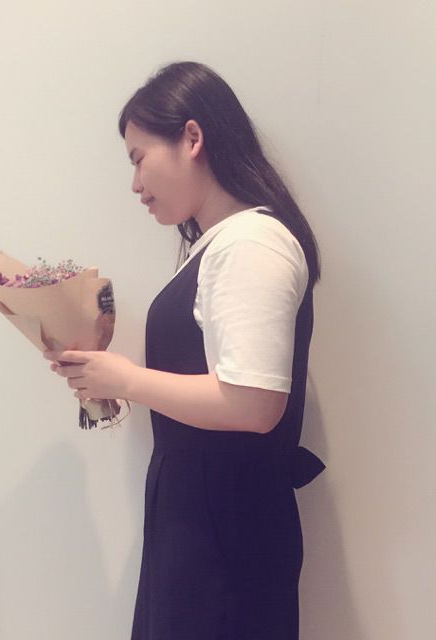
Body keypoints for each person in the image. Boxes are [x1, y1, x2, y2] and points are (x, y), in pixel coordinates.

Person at [42, 60, 326, 640]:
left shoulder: (253, 243)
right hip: (205, 523)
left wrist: (125, 379)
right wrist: (105, 377)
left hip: (224, 532)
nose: (135, 184)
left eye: (138, 157)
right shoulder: (220, 245)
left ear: (192, 138)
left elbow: (253, 404)